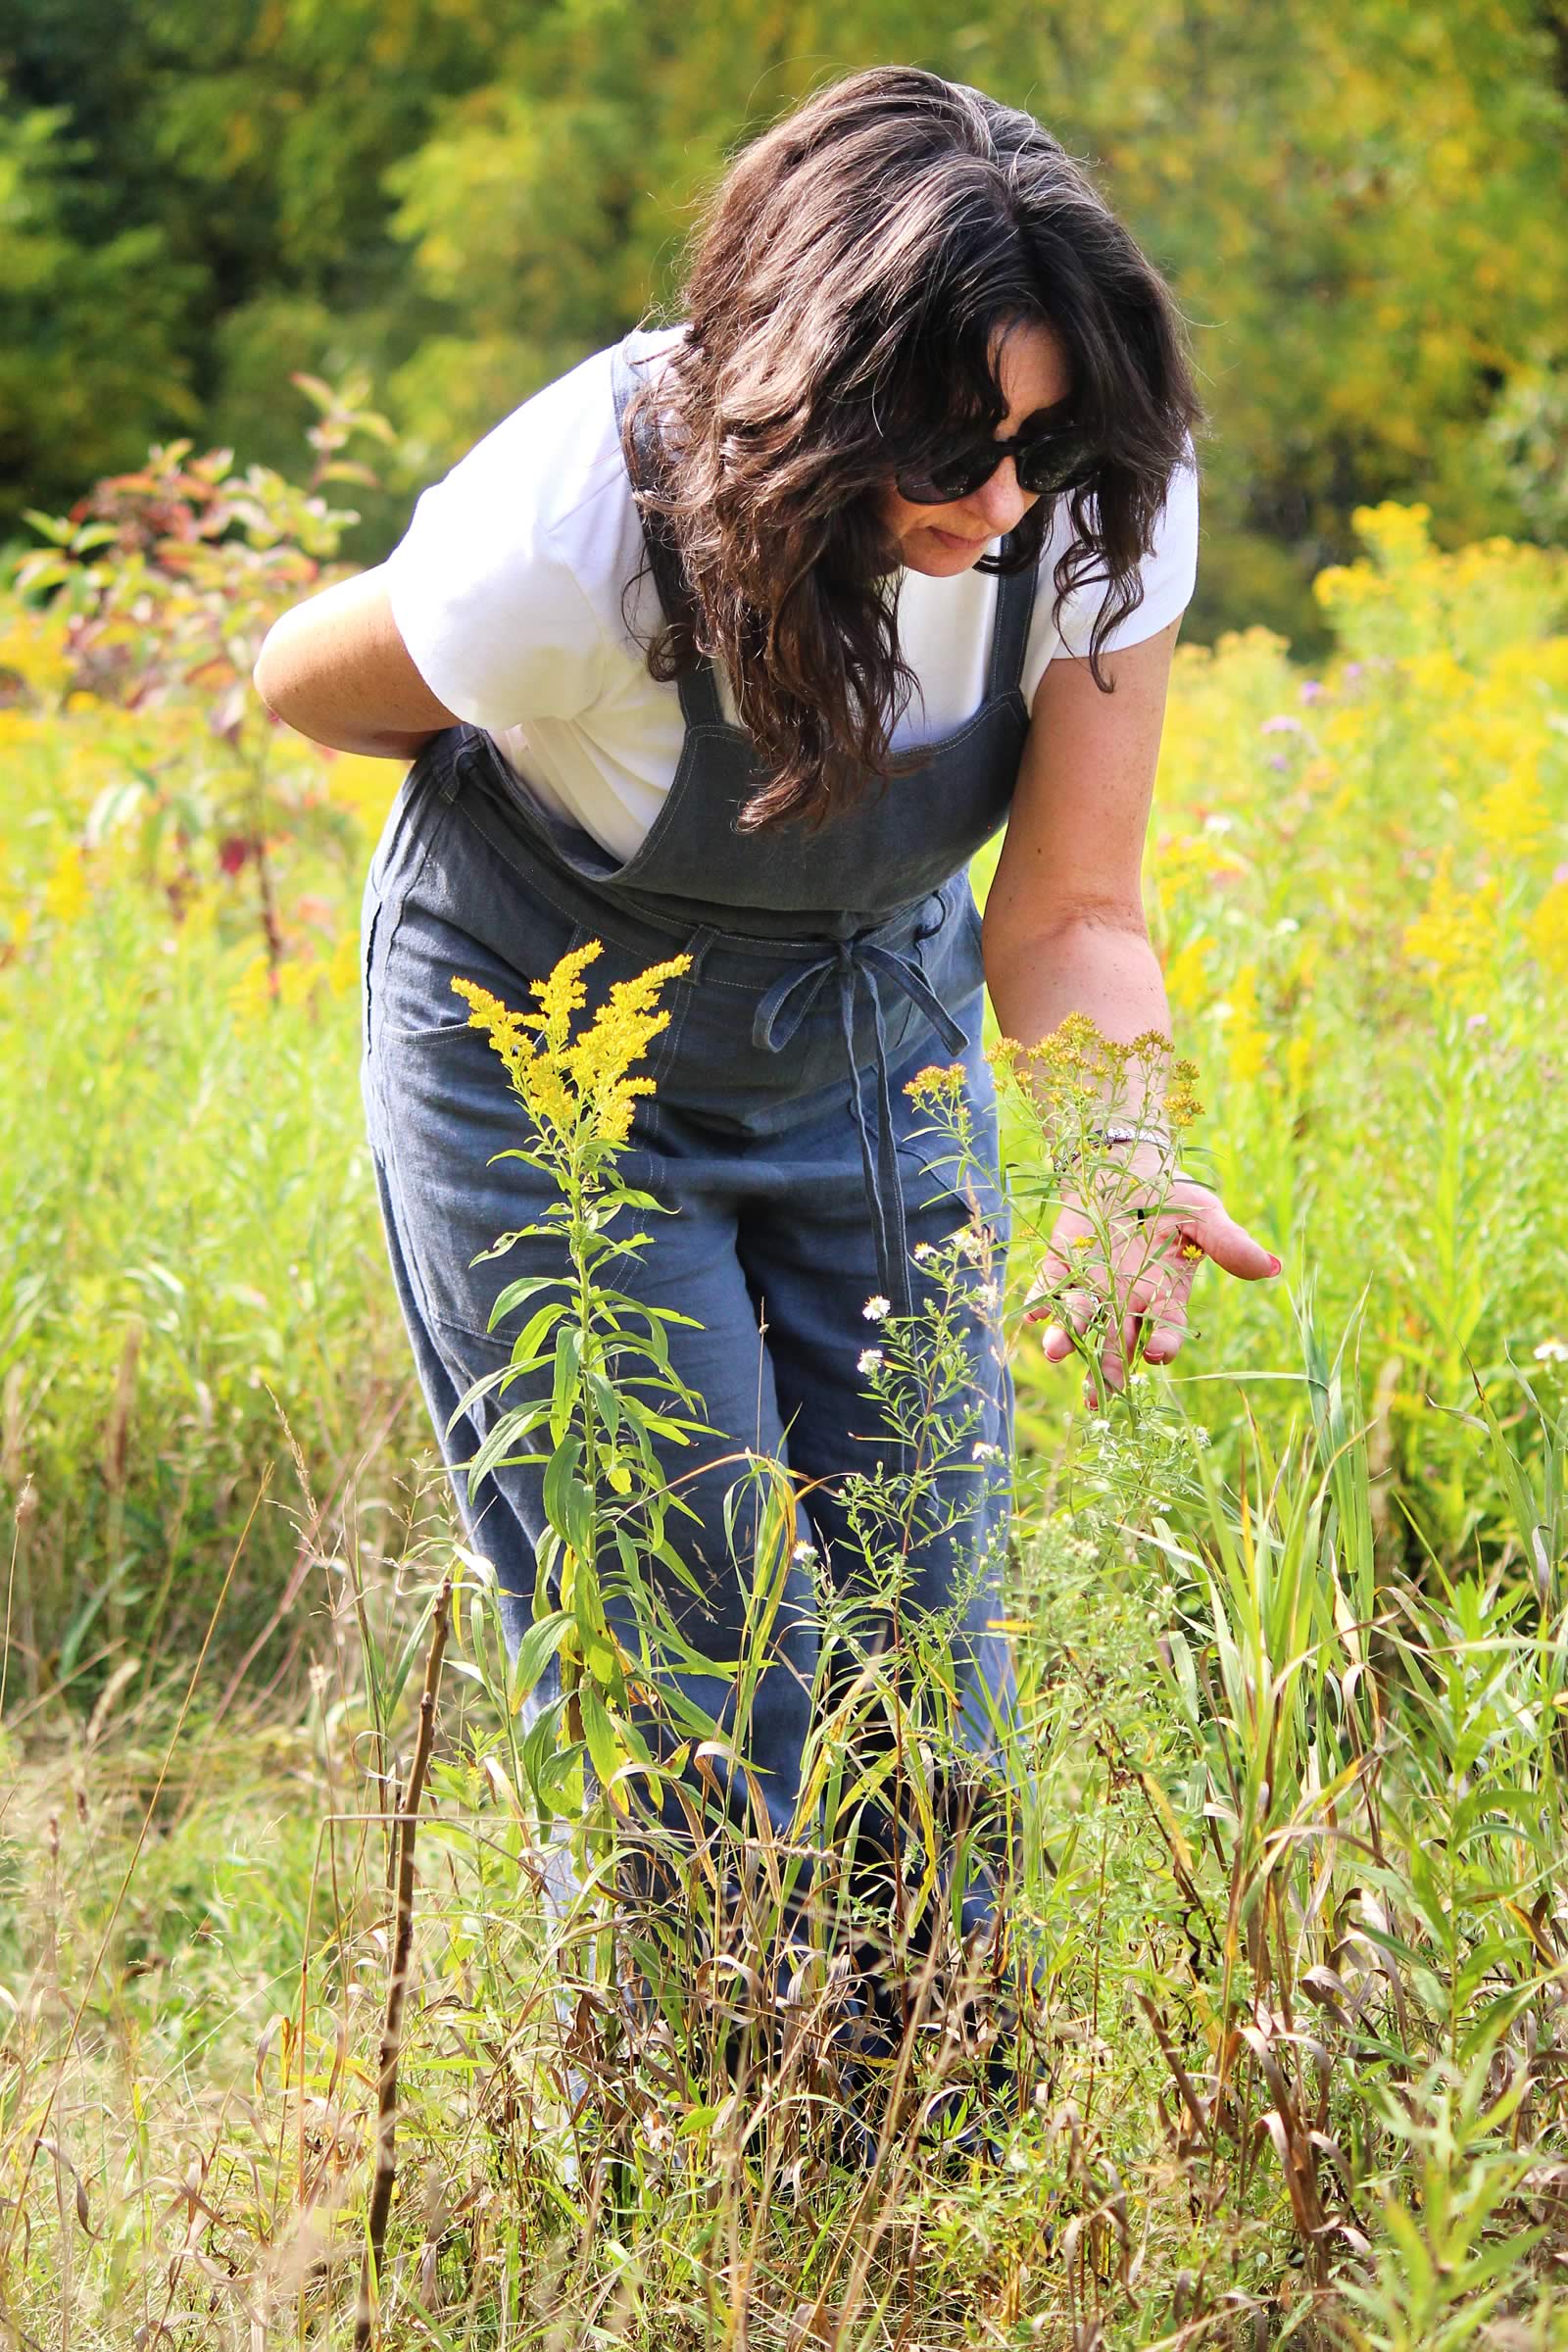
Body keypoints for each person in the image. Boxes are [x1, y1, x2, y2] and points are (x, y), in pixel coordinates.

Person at [254, 67, 1278, 1973]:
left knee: (922, 1628)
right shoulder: (559, 537)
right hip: (540, 1034)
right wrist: (516, 711)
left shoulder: (1093, 499)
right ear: (804, 388)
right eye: (945, 441)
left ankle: (928, 2140)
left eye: (1036, 452)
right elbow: (298, 680)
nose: (995, 497)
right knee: (687, 1648)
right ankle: (695, 2146)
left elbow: (1066, 909)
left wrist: (1119, 1160)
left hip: (864, 1013)